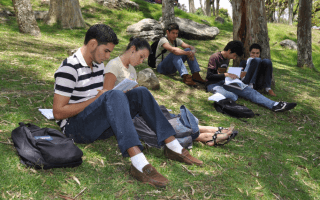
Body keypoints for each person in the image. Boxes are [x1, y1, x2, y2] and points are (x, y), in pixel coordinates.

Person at [52, 24, 203, 188]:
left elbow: (102, 100)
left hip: (99, 125)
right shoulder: (69, 68)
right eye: (107, 51)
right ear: (93, 44)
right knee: (113, 94)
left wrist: (109, 97)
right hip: (76, 129)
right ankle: (139, 164)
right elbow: (58, 113)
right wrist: (97, 99)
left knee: (141, 92)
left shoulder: (97, 64)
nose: (108, 55)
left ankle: (173, 146)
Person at [104, 37, 237, 147]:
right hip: (126, 114)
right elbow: (108, 96)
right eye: (141, 57)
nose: (141, 61)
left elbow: (137, 91)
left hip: (136, 109)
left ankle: (205, 131)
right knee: (154, 126)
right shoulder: (114, 65)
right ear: (132, 50)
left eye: (143, 58)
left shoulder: (131, 69)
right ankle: (205, 136)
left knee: (165, 116)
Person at [205, 40, 297, 112]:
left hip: (224, 82)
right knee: (233, 97)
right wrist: (226, 74)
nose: (235, 58)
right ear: (229, 51)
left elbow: (221, 73)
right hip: (213, 84)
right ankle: (227, 94)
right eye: (234, 55)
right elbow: (209, 76)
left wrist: (233, 75)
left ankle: (275, 105)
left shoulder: (226, 58)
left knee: (249, 91)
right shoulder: (215, 57)